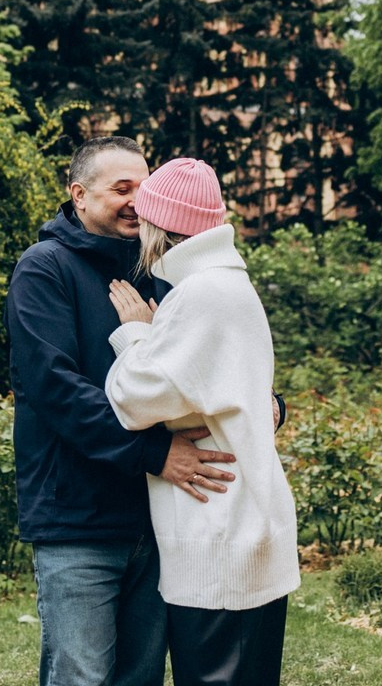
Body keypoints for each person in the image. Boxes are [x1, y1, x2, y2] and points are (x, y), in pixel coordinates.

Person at [6, 136, 238, 686]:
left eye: (145, 186)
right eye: (122, 188)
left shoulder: (162, 270)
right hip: (77, 522)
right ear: (79, 195)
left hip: (159, 520)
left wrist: (266, 402)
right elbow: (58, 390)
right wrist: (156, 452)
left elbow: (209, 360)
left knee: (140, 678)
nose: (139, 199)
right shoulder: (44, 270)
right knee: (82, 677)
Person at [104, 157, 300, 686]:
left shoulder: (202, 293)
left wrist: (135, 335)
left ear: (160, 225)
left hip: (221, 532)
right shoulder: (225, 283)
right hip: (235, 524)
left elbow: (133, 399)